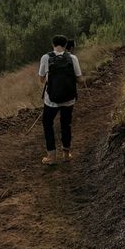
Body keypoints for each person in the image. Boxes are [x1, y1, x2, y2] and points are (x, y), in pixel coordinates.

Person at [38, 35, 83, 166]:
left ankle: (51, 156)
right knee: (66, 124)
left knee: (47, 124)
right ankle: (66, 154)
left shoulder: (46, 57)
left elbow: (41, 79)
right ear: (65, 45)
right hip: (69, 100)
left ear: (53, 44)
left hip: (51, 100)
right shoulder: (72, 58)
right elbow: (79, 79)